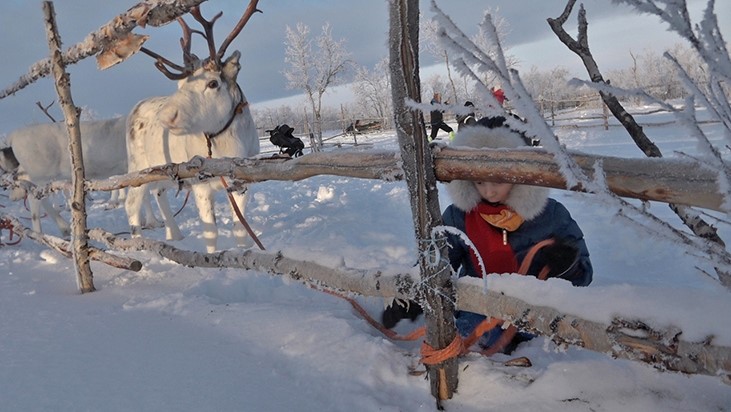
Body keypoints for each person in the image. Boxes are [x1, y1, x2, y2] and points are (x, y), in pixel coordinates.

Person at [383, 120, 593, 354]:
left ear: (522, 175)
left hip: (539, 325)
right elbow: (439, 262)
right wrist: (413, 298)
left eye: (498, 181)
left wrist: (566, 265)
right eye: (479, 181)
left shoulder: (552, 215)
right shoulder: (459, 216)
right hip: (476, 321)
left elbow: (583, 278)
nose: (488, 191)